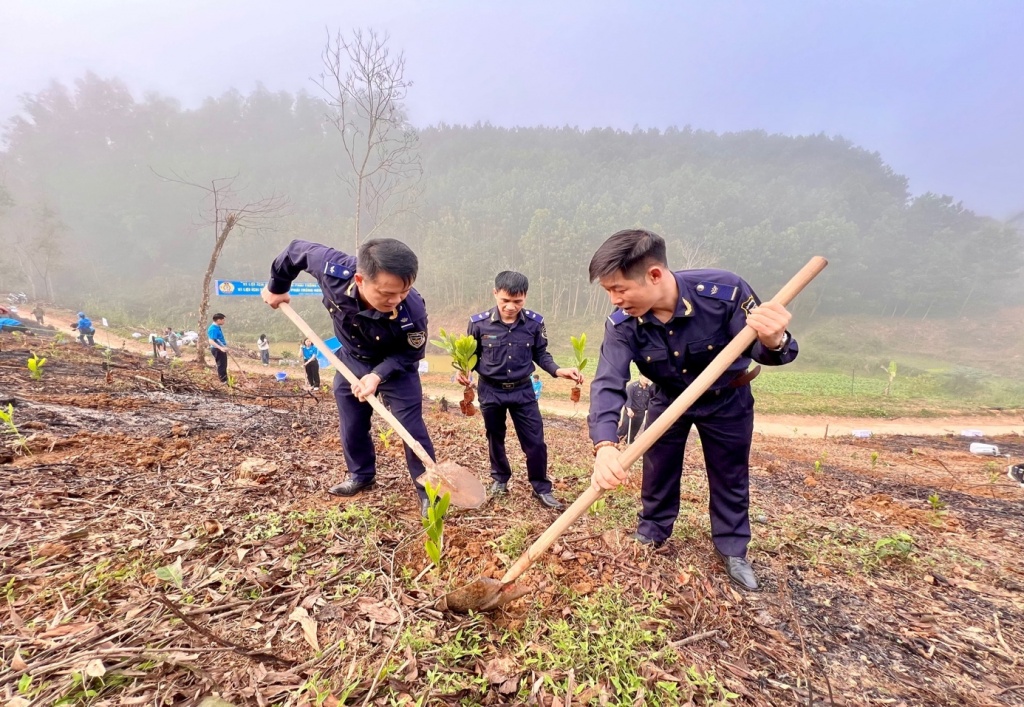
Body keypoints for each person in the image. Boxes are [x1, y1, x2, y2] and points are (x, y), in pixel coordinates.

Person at [587, 229, 798, 591]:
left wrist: (774, 339)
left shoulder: (725, 293)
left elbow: (765, 349)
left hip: (727, 399)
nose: (614, 300)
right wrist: (605, 445)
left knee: (730, 473)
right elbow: (608, 381)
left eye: (619, 289)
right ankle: (653, 533)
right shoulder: (623, 325)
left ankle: (732, 548)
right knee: (658, 470)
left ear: (654, 275)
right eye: (608, 291)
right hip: (667, 399)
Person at [261, 238, 437, 517]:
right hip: (352, 360)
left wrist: (377, 376)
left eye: (404, 291)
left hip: (395, 368)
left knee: (411, 428)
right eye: (387, 293)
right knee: (352, 424)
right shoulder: (333, 271)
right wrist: (277, 286)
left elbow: (410, 355)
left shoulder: (412, 310)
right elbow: (295, 251)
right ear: (360, 279)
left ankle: (428, 490)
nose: (396, 300)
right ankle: (361, 475)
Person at [461, 271, 584, 511]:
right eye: (505, 300)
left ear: (525, 297)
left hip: (523, 391)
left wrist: (559, 371)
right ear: (495, 293)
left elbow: (541, 354)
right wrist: (464, 371)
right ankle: (500, 479)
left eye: (517, 302)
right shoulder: (478, 323)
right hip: (491, 390)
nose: (510, 307)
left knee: (535, 442)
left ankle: (541, 487)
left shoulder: (535, 323)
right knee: (495, 436)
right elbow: (471, 355)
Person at [618, 376, 655, 444]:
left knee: (635, 429)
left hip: (641, 412)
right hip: (631, 411)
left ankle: (629, 441)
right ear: (640, 376)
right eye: (645, 377)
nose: (647, 379)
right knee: (624, 428)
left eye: (648, 377)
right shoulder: (632, 387)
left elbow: (651, 400)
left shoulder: (650, 388)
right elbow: (627, 398)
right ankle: (616, 440)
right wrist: (629, 410)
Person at [207, 313, 229, 383]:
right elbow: (211, 341)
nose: (224, 322)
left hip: (221, 348)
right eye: (223, 320)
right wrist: (220, 348)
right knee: (221, 365)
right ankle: (223, 381)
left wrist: (224, 346)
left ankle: (225, 379)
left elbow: (218, 339)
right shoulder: (213, 329)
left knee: (224, 364)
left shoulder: (217, 327)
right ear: (218, 320)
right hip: (217, 349)